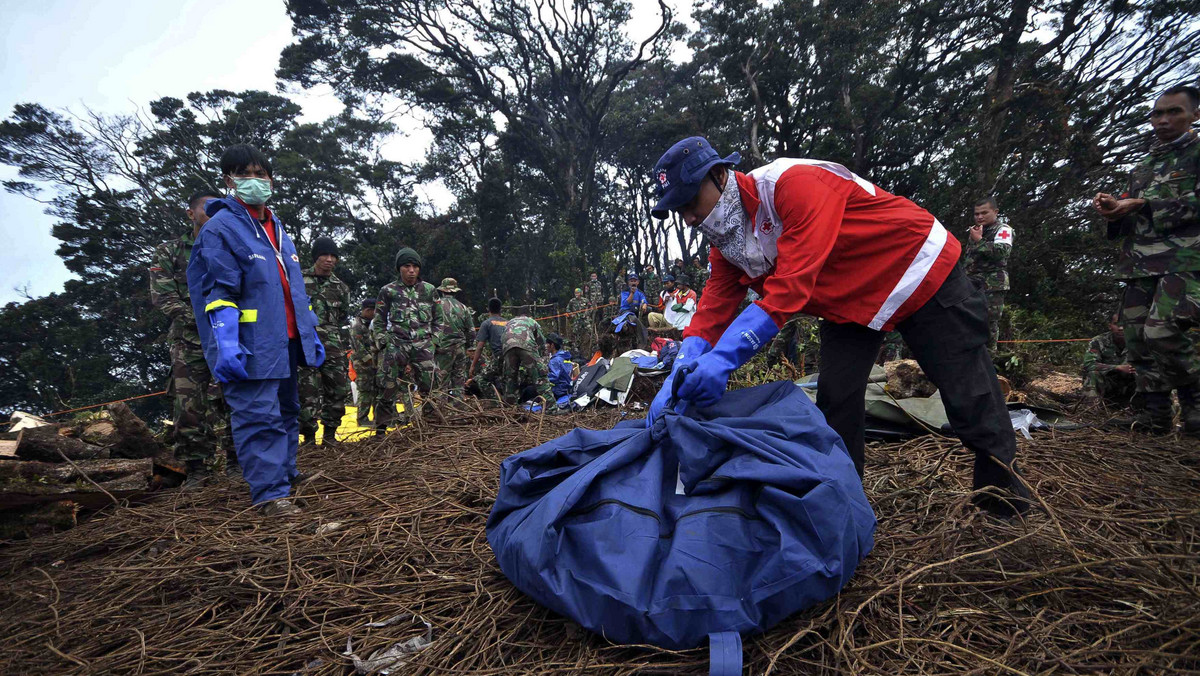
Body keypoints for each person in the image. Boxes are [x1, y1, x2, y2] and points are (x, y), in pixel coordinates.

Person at [645, 136, 1030, 518]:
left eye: (690, 202)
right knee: (836, 398)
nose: (690, 219)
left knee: (967, 389)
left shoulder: (793, 185)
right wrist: (686, 358)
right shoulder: (728, 241)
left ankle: (1002, 499)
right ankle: (846, 505)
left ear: (719, 175)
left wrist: (726, 358)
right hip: (850, 302)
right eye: (679, 210)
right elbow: (714, 303)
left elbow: (789, 288)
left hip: (915, 269)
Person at [187, 144, 324, 517]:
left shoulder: (277, 229)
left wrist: (310, 331)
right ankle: (269, 494)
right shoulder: (221, 229)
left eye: (261, 173)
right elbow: (218, 292)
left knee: (286, 411)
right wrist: (226, 342)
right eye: (245, 174)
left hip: (286, 342)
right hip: (249, 345)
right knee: (257, 416)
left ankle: (286, 473)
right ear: (229, 181)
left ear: (271, 179)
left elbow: (292, 289)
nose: (255, 181)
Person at [1096, 84, 1200, 436]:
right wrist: (1115, 213)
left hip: (1184, 260)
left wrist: (1144, 205)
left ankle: (1194, 410)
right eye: (1157, 113)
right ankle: (1155, 416)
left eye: (1175, 112)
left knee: (1164, 331)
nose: (1164, 120)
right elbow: (1129, 214)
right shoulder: (1143, 166)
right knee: (1138, 337)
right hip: (1139, 264)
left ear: (1195, 116)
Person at [149, 190, 236, 487]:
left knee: (234, 399)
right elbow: (163, 297)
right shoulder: (170, 251)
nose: (213, 214)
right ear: (190, 214)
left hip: (229, 339)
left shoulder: (229, 249)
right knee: (188, 406)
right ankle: (197, 469)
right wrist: (201, 319)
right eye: (207, 208)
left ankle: (238, 462)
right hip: (189, 342)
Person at [372, 247, 442, 427]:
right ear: (399, 268)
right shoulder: (388, 291)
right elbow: (378, 319)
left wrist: (433, 341)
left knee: (431, 388)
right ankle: (381, 431)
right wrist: (383, 341)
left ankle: (431, 428)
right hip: (396, 345)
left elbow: (439, 318)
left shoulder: (429, 290)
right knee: (387, 387)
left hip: (423, 346)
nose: (411, 271)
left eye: (415, 267)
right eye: (407, 266)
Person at [298, 237, 352, 445]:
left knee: (338, 389)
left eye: (333, 256)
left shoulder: (341, 288)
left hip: (333, 347)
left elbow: (343, 317)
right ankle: (309, 437)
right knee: (306, 393)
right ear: (316, 257)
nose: (329, 260)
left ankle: (330, 435)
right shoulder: (298, 280)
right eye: (325, 255)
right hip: (304, 346)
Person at [962, 197, 1013, 353]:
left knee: (989, 322)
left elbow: (1003, 252)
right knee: (968, 320)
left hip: (992, 284)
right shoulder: (976, 230)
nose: (979, 217)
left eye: (984, 213)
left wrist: (979, 241)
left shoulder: (1003, 229)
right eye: (976, 214)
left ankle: (990, 359)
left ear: (995, 212)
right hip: (971, 283)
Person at [433, 277, 475, 398]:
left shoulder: (436, 305)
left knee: (442, 382)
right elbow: (471, 332)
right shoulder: (463, 308)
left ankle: (442, 410)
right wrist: (469, 346)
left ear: (442, 290)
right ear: (456, 291)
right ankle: (458, 410)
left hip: (443, 350)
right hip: (460, 349)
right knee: (459, 381)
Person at [1082, 313, 1136, 405]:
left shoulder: (1139, 342)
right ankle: (1091, 410)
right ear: (1110, 325)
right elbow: (1089, 364)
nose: (1121, 328)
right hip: (1107, 385)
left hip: (1131, 386)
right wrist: (1117, 367)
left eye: (1124, 325)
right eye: (1117, 324)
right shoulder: (1098, 341)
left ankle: (1148, 411)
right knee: (1093, 374)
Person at [501, 315, 555, 404]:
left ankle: (510, 408)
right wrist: (543, 363)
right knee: (540, 376)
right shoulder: (532, 322)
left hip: (507, 346)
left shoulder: (509, 323)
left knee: (511, 378)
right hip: (525, 344)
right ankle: (551, 408)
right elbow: (542, 344)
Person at [348, 299, 381, 429]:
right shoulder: (357, 325)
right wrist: (370, 360)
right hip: (363, 363)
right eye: (374, 311)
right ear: (367, 310)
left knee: (375, 390)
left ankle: (376, 416)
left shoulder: (371, 324)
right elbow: (358, 347)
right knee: (365, 390)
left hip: (374, 362)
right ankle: (362, 418)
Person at [469, 297, 508, 398]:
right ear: (501, 309)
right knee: (507, 379)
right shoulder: (508, 323)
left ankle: (495, 401)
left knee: (481, 379)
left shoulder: (486, 323)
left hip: (499, 357)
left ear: (488, 309)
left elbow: (480, 346)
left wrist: (473, 365)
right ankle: (510, 402)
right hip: (511, 355)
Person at [618, 273, 650, 347]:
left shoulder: (640, 292)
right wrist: (632, 293)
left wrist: (645, 304)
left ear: (637, 282)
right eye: (631, 281)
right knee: (633, 318)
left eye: (634, 281)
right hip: (626, 311)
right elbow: (626, 303)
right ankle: (642, 340)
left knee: (649, 311)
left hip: (636, 310)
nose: (633, 283)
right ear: (628, 282)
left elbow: (644, 300)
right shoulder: (625, 291)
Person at [545, 333, 575, 403]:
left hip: (558, 390)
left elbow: (554, 377)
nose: (545, 346)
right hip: (567, 389)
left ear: (552, 345)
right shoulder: (565, 357)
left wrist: (542, 378)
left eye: (547, 344)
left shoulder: (555, 360)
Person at [565, 287, 592, 355]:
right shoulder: (572, 301)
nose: (577, 294)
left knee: (590, 330)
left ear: (581, 293)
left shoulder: (585, 300)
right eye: (575, 293)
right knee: (576, 333)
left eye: (578, 293)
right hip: (577, 319)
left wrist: (587, 313)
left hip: (585, 319)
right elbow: (568, 309)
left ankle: (593, 344)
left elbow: (591, 307)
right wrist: (571, 314)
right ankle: (577, 347)